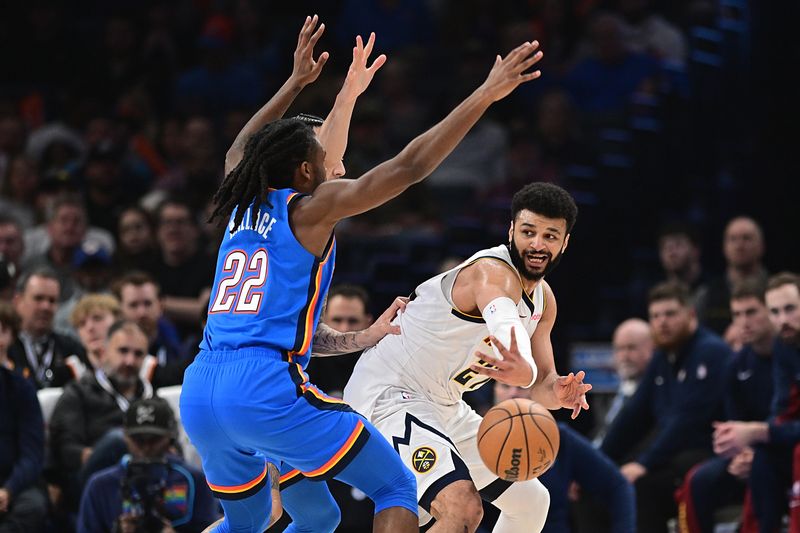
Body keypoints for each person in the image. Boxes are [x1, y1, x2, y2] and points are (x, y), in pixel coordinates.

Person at [180, 14, 546, 533]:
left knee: (307, 516)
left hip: (203, 386)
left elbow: (239, 147)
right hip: (261, 386)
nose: (339, 158)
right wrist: (484, 95)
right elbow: (408, 167)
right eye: (326, 154)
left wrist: (298, 84)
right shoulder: (309, 209)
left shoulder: (242, 198)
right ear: (306, 172)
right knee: (396, 487)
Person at [344, 182, 592, 532]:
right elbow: (511, 341)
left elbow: (538, 383)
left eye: (550, 236)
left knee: (532, 501)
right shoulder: (490, 273)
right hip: (389, 392)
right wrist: (525, 370)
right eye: (528, 232)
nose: (537, 244)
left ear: (564, 243)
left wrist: (558, 392)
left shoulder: (544, 300)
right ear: (511, 231)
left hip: (443, 405)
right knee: (462, 507)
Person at [600, 281, 731, 533]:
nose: (662, 322)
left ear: (691, 315)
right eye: (655, 316)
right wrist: (598, 461)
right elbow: (632, 417)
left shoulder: (711, 352)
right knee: (596, 483)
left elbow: (687, 422)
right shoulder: (662, 357)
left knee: (642, 484)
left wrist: (644, 464)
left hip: (708, 451)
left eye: (670, 314)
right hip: (672, 454)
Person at [675, 278, 784, 533]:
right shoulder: (735, 365)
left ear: (769, 311)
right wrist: (738, 453)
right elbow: (732, 423)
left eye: (751, 312)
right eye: (737, 314)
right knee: (696, 481)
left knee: (763, 472)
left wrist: (756, 454)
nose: (743, 321)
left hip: (780, 449)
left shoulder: (789, 355)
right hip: (747, 454)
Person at [712, 272, 800, 533]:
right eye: (775, 312)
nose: (782, 320)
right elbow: (782, 409)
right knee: (763, 457)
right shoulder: (785, 346)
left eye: (790, 309)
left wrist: (762, 432)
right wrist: (752, 444)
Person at [494, 381, 635, 533]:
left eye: (521, 386)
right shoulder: (474, 438)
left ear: (536, 391)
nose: (513, 393)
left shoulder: (558, 437)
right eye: (505, 386)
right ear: (494, 390)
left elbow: (617, 485)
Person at [49, 320, 154, 510]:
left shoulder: (153, 399)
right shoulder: (79, 392)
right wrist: (93, 453)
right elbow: (65, 449)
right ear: (104, 352)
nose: (130, 361)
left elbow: (174, 450)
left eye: (138, 354)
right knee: (118, 440)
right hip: (90, 482)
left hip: (147, 482)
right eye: (123, 351)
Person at [77, 397, 220, 532]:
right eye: (138, 439)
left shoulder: (195, 480)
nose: (146, 447)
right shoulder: (100, 485)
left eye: (154, 439)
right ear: (125, 436)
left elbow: (211, 527)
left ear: (170, 436)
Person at [0, 302, 48, 533]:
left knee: (33, 505)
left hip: (14, 483)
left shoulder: (21, 387)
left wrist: (8, 490)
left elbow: (32, 454)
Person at [9, 267, 88, 388]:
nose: (46, 307)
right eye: (38, 298)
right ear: (18, 301)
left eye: (52, 300)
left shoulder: (70, 349)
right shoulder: (5, 348)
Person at [112, 272, 186, 388]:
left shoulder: (180, 347)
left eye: (147, 303)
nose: (142, 313)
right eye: (133, 305)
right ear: (120, 311)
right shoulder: (109, 350)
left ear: (160, 306)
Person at [592, 318, 654, 446]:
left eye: (631, 348)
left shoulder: (656, 394)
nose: (624, 356)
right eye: (619, 349)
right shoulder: (605, 396)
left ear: (652, 350)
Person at [703, 217, 768, 337]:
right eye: (733, 239)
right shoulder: (706, 294)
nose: (739, 245)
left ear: (761, 246)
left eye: (747, 238)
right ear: (724, 247)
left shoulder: (776, 289)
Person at [306, 283, 373, 396]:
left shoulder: (378, 362)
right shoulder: (304, 361)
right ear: (322, 321)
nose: (344, 329)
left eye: (353, 321)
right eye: (337, 320)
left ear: (368, 322)